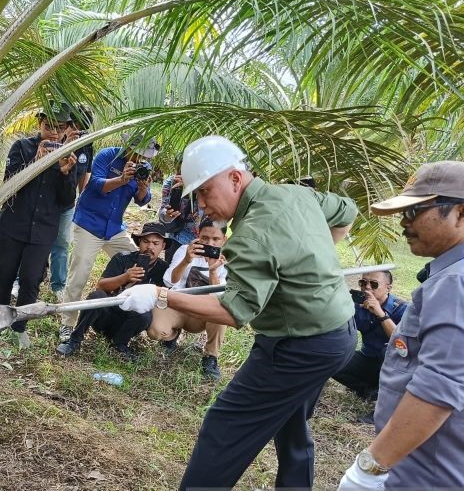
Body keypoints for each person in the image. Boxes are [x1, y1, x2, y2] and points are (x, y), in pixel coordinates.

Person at [118, 135, 358, 489]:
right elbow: (346, 211)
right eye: (196, 195)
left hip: (297, 347)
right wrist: (311, 258)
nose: (201, 204)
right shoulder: (295, 194)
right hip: (339, 334)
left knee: (224, 428)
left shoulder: (252, 233)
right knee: (292, 425)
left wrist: (161, 294)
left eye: (205, 192)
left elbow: (234, 311)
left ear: (234, 178)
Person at [337, 161, 464, 490]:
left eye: (417, 210)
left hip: (428, 472)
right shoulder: (448, 275)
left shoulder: (455, 283)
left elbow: (438, 389)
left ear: (461, 213)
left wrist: (370, 468)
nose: (404, 222)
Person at [0, 101, 77, 348]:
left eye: (58, 127)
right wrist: (35, 162)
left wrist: (64, 174)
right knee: (4, 272)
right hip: (13, 223)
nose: (52, 131)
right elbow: (9, 184)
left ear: (66, 129)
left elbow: (67, 200)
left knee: (31, 278)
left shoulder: (68, 157)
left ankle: (19, 327)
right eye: (48, 125)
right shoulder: (22, 147)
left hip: (43, 229)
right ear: (39, 123)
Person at [58, 132, 158, 342]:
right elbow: (94, 185)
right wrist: (122, 179)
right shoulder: (107, 156)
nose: (141, 158)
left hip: (114, 228)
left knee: (139, 263)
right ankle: (67, 324)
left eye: (145, 156)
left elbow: (142, 201)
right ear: (128, 147)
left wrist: (142, 189)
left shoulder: (143, 168)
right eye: (138, 153)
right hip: (89, 224)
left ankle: (121, 316)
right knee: (79, 274)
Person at [55, 222, 169, 361]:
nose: (150, 247)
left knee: (145, 314)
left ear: (163, 246)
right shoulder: (122, 258)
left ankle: (120, 344)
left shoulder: (164, 269)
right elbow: (100, 286)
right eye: (145, 241)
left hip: (129, 321)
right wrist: (125, 277)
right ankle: (75, 339)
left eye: (155, 243)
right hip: (107, 314)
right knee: (97, 296)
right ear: (139, 242)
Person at [163, 218, 228, 380]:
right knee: (156, 330)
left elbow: (219, 297)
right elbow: (169, 281)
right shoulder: (185, 250)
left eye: (216, 239)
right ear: (198, 235)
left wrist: (213, 271)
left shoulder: (226, 262)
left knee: (223, 310)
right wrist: (186, 260)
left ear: (224, 240)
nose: (210, 243)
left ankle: (211, 357)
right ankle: (171, 336)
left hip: (201, 314)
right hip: (178, 307)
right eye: (205, 238)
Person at [332, 271, 408, 405]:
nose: (367, 287)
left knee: (387, 351)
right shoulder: (358, 306)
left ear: (388, 288)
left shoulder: (403, 309)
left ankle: (384, 400)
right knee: (332, 360)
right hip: (368, 359)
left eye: (374, 284)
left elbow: (402, 342)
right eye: (363, 282)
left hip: (394, 366)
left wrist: (380, 314)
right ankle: (369, 392)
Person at [49, 105, 94, 300]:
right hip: (44, 201)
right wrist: (65, 143)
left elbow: (85, 174)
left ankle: (58, 285)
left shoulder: (87, 145)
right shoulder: (52, 141)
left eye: (82, 126)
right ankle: (22, 279)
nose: (77, 129)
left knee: (62, 243)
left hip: (67, 204)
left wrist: (81, 200)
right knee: (37, 240)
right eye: (73, 124)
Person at [159, 165, 202, 263]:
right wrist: (166, 216)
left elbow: (201, 221)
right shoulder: (171, 182)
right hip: (176, 235)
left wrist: (194, 189)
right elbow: (163, 213)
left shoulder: (206, 185)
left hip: (200, 239)